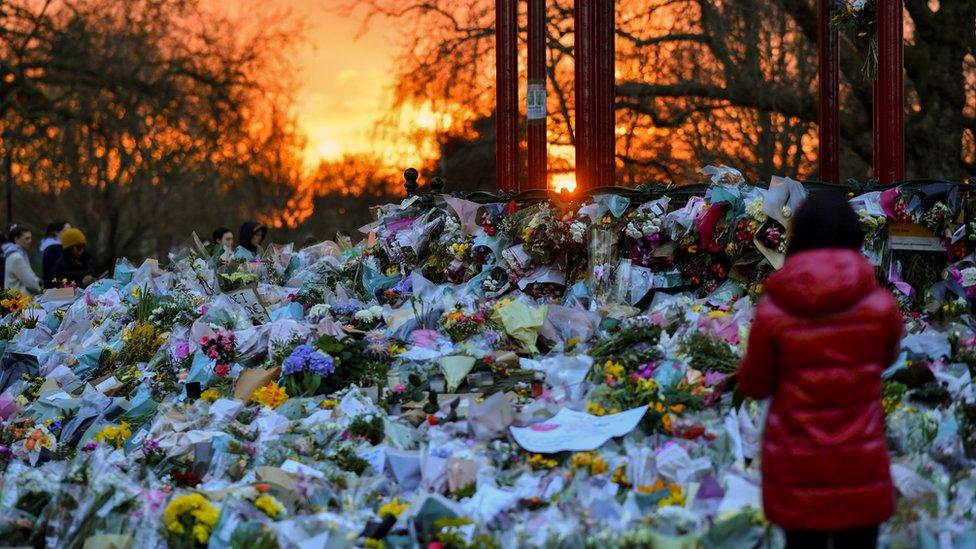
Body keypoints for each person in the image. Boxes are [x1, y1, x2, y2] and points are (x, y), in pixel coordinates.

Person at [737, 191, 902, 549]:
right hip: (859, 464)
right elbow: (887, 361)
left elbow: (755, 384)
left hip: (798, 469)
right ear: (853, 234)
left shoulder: (774, 308)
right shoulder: (879, 305)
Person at [3, 225, 42, 295]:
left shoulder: (15, 253)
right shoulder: (17, 257)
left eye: (30, 238)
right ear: (16, 239)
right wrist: (40, 286)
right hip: (20, 299)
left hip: (17, 297)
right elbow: (30, 281)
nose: (30, 241)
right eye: (26, 238)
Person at [41, 221, 71, 286]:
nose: (69, 234)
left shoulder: (63, 248)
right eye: (65, 231)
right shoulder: (53, 249)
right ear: (56, 233)